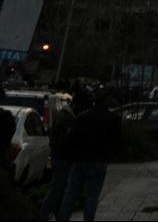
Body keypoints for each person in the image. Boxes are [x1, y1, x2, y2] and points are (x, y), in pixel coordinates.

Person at [57, 88, 122, 222]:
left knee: (71, 194)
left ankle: (63, 218)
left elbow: (71, 138)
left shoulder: (83, 117)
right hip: (99, 160)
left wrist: (70, 155)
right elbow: (117, 140)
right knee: (92, 195)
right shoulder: (113, 119)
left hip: (81, 159)